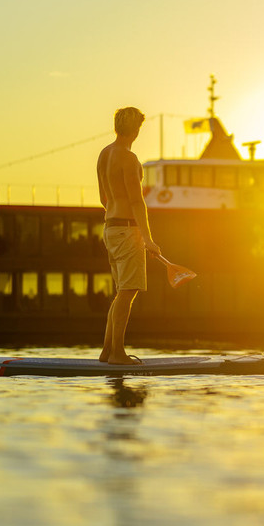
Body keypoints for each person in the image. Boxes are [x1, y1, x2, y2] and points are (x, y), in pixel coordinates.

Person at [96, 107, 161, 364]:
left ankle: (107, 350)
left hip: (110, 228)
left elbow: (103, 198)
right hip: (127, 229)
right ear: (135, 130)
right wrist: (147, 238)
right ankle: (118, 353)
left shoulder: (104, 154)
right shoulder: (129, 159)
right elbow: (137, 202)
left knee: (121, 291)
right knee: (128, 291)